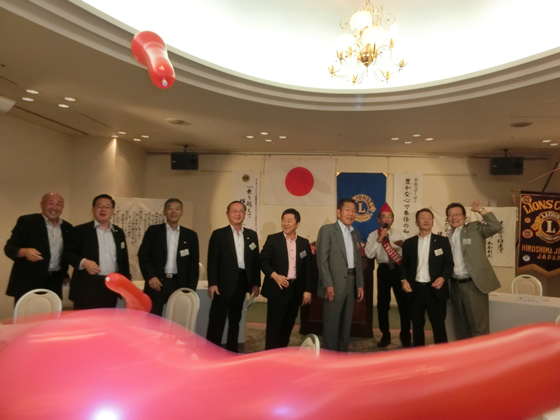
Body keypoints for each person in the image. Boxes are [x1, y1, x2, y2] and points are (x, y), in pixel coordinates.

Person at [206, 201, 260, 352]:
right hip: (222, 284)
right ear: (228, 213)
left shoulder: (251, 235)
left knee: (235, 321)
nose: (237, 214)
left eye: (241, 211)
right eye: (234, 211)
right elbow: (212, 261)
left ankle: (231, 351)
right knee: (217, 321)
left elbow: (255, 261)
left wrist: (255, 283)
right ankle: (211, 352)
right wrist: (212, 283)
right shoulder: (219, 234)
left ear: (245, 214)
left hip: (242, 282)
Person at [446, 200, 502, 339]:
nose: (454, 217)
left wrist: (481, 210)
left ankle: (482, 353)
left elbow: (495, 226)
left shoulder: (474, 228)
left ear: (464, 217)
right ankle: (465, 353)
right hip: (454, 285)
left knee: (478, 327)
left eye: (457, 214)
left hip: (473, 284)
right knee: (460, 327)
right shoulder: (446, 236)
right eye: (450, 215)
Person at [64, 194, 130, 309]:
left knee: (108, 318)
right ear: (93, 209)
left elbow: (123, 260)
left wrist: (126, 286)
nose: (103, 209)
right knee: (85, 319)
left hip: (111, 286)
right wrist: (84, 262)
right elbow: (67, 253)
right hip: (86, 288)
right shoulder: (80, 230)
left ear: (112, 210)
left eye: (107, 206)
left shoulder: (118, 232)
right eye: (99, 206)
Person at [4, 192, 73, 303]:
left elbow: (65, 254)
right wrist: (24, 251)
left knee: (51, 313)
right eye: (50, 203)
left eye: (58, 204)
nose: (54, 207)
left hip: (54, 282)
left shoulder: (67, 227)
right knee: (26, 313)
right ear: (42, 204)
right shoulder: (27, 222)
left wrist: (65, 274)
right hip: (28, 281)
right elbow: (9, 248)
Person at [260, 208, 312, 349]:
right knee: (274, 326)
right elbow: (263, 261)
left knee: (288, 324)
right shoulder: (273, 239)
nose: (286, 223)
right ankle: (271, 355)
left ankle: (282, 352)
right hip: (278, 287)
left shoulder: (303, 243)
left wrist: (307, 290)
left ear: (297, 224)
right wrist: (275, 276)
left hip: (295, 289)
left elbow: (308, 269)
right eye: (284, 220)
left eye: (290, 220)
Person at [317, 198, 364, 352]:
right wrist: (327, 283)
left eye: (354, 211)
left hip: (351, 282)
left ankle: (342, 354)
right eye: (347, 210)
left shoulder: (355, 233)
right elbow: (322, 260)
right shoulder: (328, 230)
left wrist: (360, 284)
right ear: (339, 212)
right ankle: (329, 356)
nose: (351, 214)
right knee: (331, 323)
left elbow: (357, 261)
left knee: (346, 322)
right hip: (334, 284)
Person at [138, 198, 199, 316]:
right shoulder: (153, 231)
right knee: (153, 319)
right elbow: (143, 256)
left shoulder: (190, 235)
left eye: (177, 209)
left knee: (178, 319)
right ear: (164, 211)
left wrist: (190, 289)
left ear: (182, 212)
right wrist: (151, 277)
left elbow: (193, 264)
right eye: (170, 208)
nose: (174, 211)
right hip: (157, 283)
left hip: (179, 284)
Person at [401, 208, 453, 346]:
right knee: (417, 324)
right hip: (416, 289)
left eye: (429, 218)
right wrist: (404, 280)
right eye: (423, 218)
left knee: (438, 324)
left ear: (433, 222)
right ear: (417, 222)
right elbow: (404, 265)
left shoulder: (442, 241)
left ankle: (442, 354)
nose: (426, 220)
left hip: (435, 289)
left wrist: (443, 278)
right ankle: (419, 353)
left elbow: (449, 264)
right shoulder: (409, 243)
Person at [365, 203, 411, 348]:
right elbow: (369, 254)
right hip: (384, 270)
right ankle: (385, 335)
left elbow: (408, 255)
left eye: (389, 217)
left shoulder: (401, 235)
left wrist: (402, 247)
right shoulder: (373, 235)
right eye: (383, 217)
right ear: (379, 219)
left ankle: (405, 336)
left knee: (404, 304)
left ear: (393, 219)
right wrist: (379, 240)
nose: (386, 219)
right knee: (383, 305)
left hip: (399, 270)